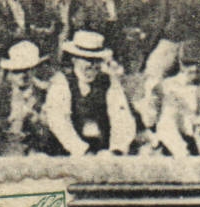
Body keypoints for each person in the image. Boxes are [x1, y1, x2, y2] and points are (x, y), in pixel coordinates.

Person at [40, 28, 136, 156]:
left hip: (102, 150)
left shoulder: (109, 82)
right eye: (87, 59)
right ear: (74, 59)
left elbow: (122, 118)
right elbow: (59, 122)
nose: (92, 65)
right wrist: (81, 150)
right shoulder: (61, 82)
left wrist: (117, 149)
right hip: (66, 151)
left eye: (96, 60)